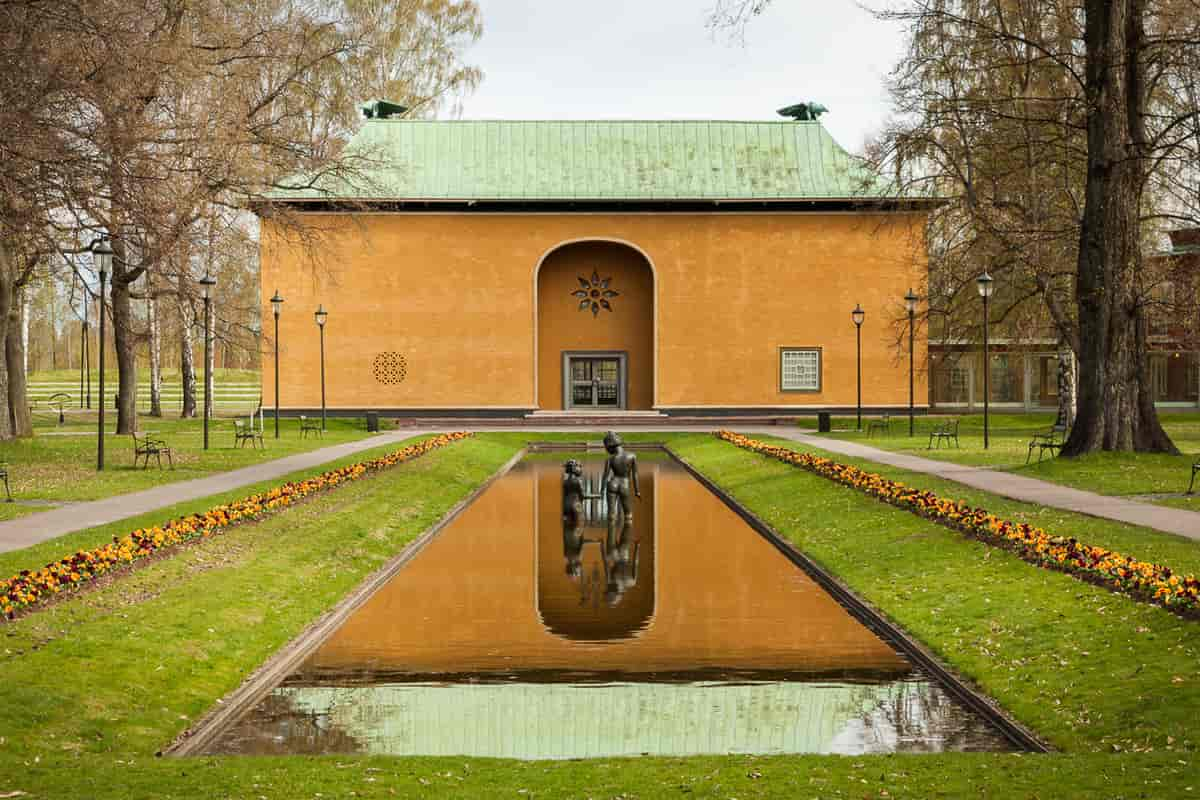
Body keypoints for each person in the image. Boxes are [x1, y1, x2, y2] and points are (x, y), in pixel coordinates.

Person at [601, 431, 640, 522]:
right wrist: (637, 491)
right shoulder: (632, 456)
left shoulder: (610, 459)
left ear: (610, 446)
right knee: (628, 514)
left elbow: (605, 476)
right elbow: (635, 475)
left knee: (611, 514)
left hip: (612, 484)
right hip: (624, 485)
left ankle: (611, 534)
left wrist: (602, 491)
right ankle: (627, 533)